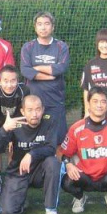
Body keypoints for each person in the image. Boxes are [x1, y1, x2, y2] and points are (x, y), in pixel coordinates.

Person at [60, 87, 107, 214]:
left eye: (103, 101)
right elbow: (65, 155)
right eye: (95, 101)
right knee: (66, 182)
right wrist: (69, 165)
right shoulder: (76, 128)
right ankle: (79, 197)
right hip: (85, 177)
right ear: (88, 104)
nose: (99, 105)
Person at [0, 94, 62, 214]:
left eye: (38, 109)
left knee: (53, 162)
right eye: (30, 110)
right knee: (7, 211)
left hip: (39, 171)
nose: (34, 114)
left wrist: (31, 154)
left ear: (43, 110)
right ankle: (21, 199)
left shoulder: (49, 121)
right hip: (18, 171)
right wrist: (4, 130)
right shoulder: (15, 125)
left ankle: (51, 209)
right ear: (23, 111)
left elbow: (51, 148)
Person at [20, 11, 69, 143]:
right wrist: (49, 76)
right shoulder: (28, 47)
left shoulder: (61, 47)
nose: (43, 27)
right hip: (34, 102)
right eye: (40, 24)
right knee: (33, 140)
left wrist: (36, 68)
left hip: (55, 101)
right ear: (35, 27)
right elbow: (25, 70)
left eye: (47, 24)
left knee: (58, 140)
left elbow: (61, 68)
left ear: (52, 27)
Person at [0, 64, 30, 196]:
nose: (9, 85)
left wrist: (11, 136)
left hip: (16, 124)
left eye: (13, 81)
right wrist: (4, 133)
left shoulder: (24, 91)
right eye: (5, 81)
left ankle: (11, 177)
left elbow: (21, 115)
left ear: (18, 80)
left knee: (14, 147)